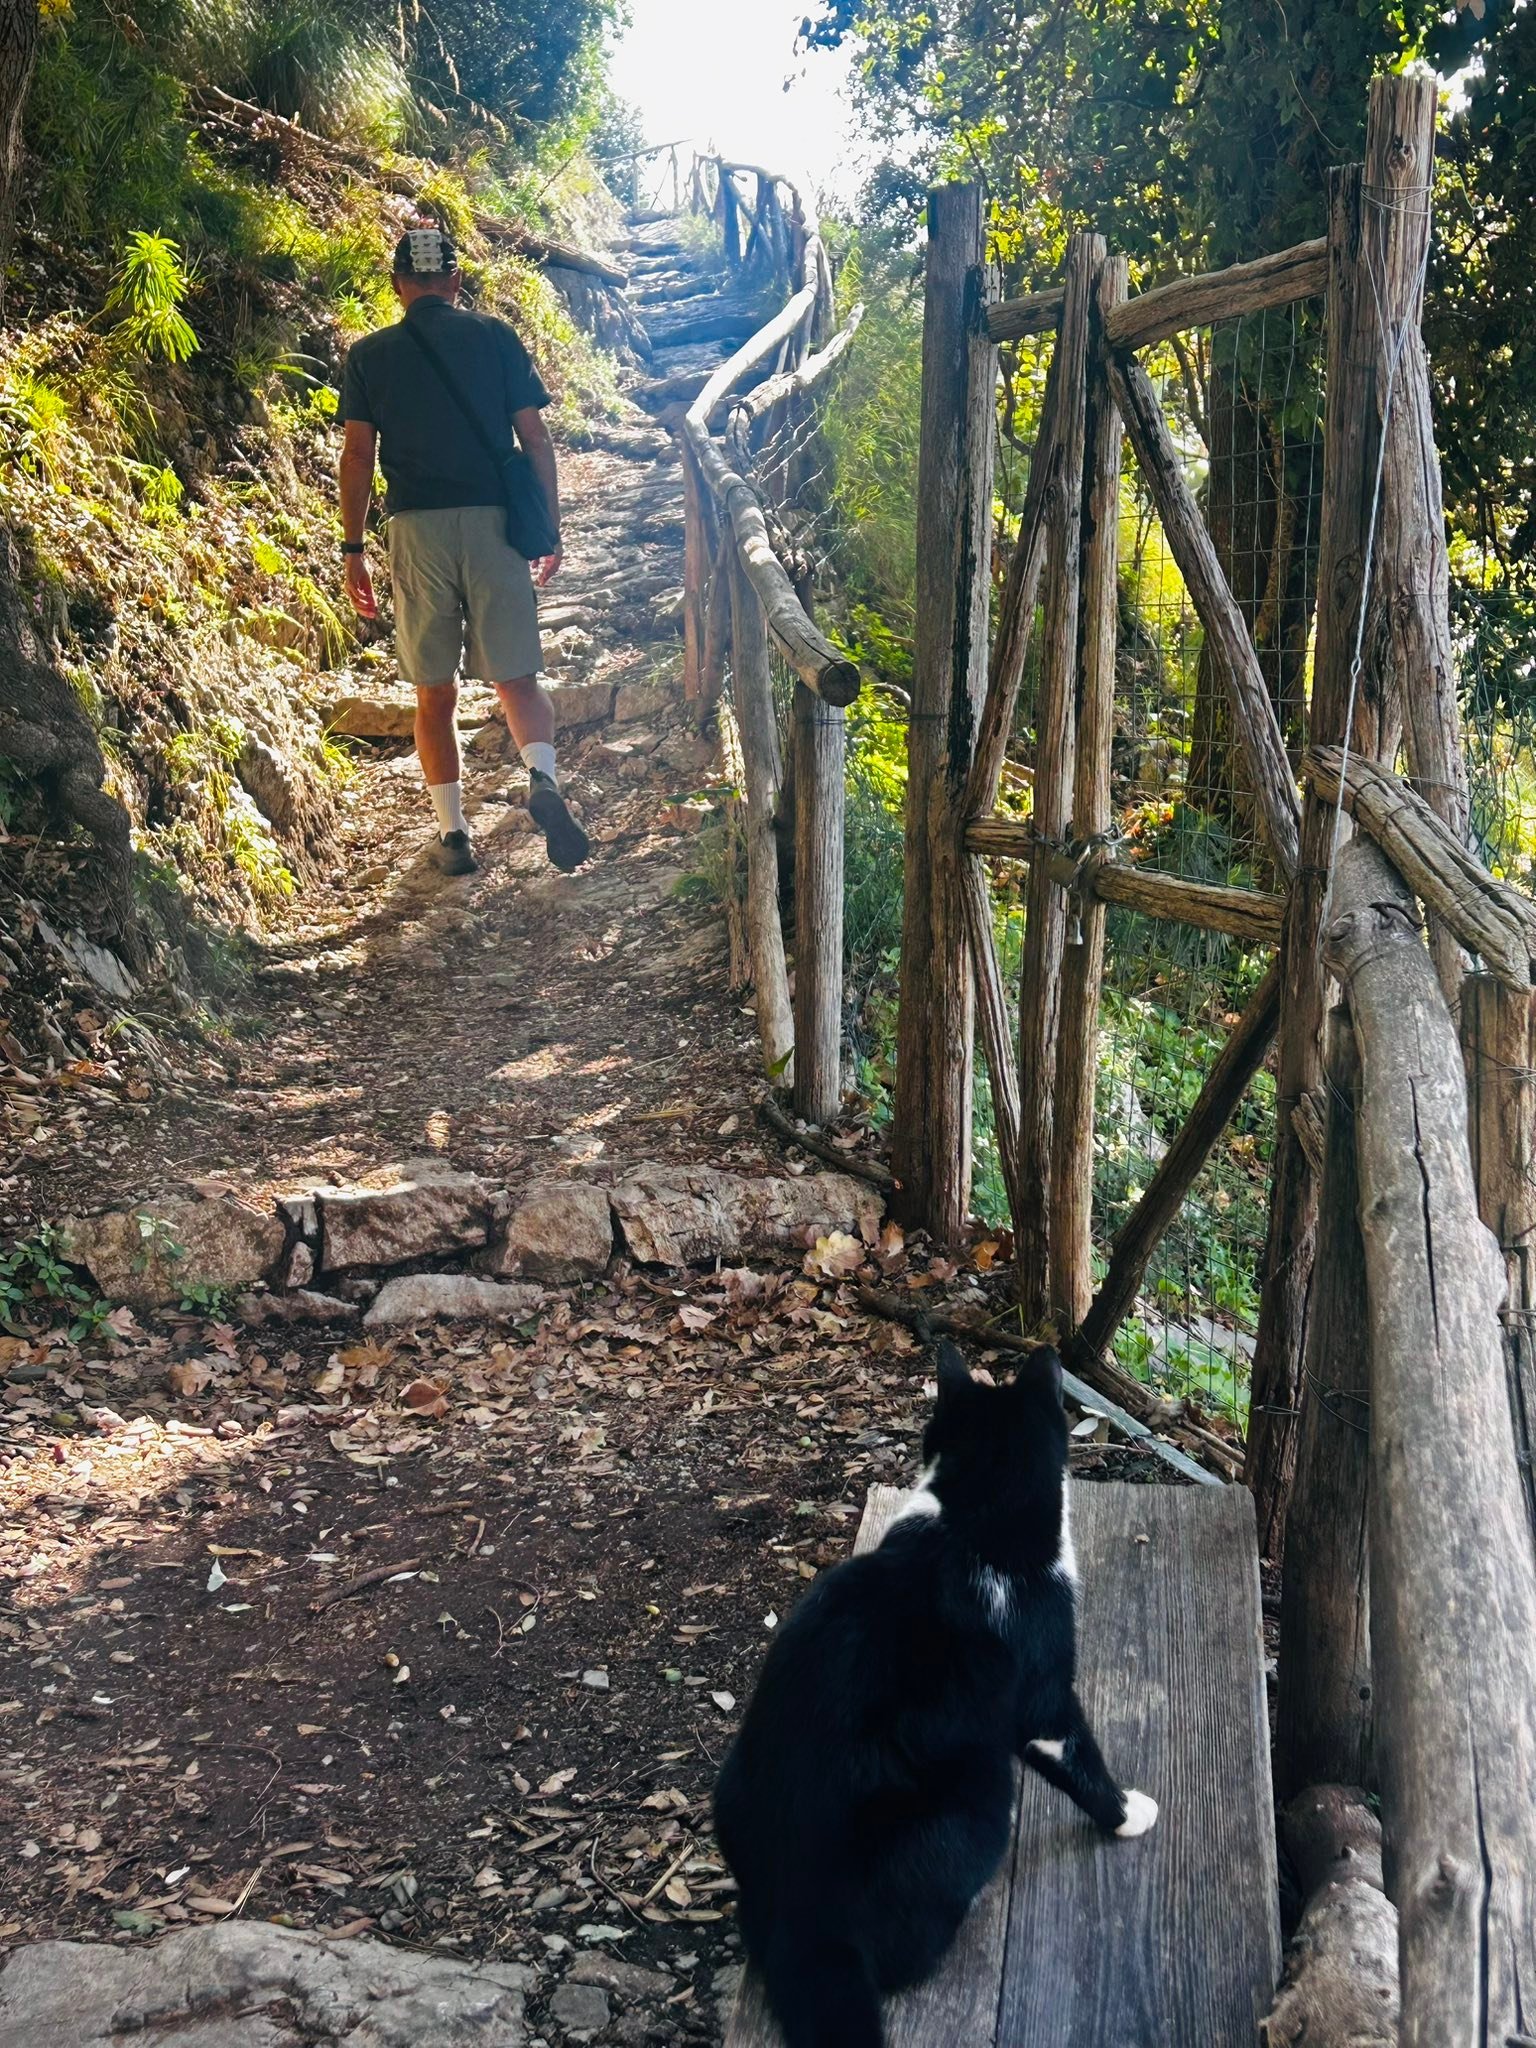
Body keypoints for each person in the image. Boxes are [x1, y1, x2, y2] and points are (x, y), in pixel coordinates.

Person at [337, 223, 589, 877]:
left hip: (416, 530)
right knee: (516, 677)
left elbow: (359, 454)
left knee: (433, 691)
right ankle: (543, 778)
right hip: (494, 525)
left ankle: (454, 836)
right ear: (454, 281)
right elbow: (535, 440)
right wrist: (549, 529)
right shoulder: (496, 338)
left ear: (398, 287)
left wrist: (353, 548)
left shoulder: (369, 357)